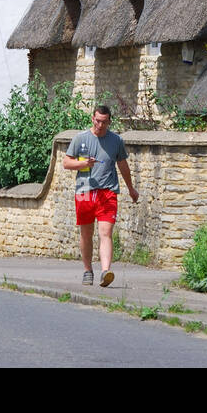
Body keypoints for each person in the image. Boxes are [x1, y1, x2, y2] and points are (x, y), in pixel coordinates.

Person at [63, 105, 137, 287]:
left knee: (106, 233)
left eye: (104, 122)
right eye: (97, 121)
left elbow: (123, 165)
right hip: (85, 191)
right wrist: (83, 164)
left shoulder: (116, 141)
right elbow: (66, 162)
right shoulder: (80, 138)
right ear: (92, 119)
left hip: (108, 192)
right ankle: (88, 270)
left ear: (109, 121)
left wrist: (131, 188)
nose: (100, 125)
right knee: (86, 234)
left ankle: (105, 271)